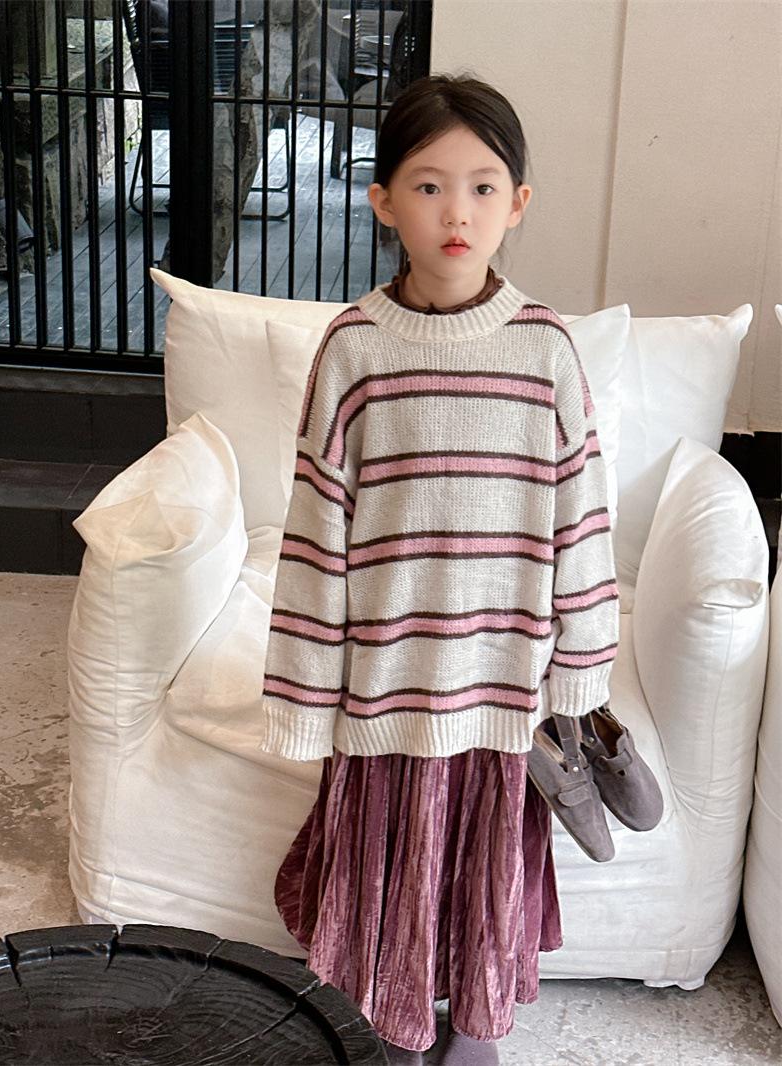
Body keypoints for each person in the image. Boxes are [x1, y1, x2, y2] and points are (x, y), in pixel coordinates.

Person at [260, 73, 620, 1065]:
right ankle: (392, 1016)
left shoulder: (545, 350)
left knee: (485, 867)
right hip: (386, 685)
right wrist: (306, 697)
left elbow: (582, 517)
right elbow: (315, 534)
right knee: (389, 869)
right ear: (382, 201)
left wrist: (581, 667)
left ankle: (475, 1023)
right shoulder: (353, 350)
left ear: (517, 203)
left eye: (481, 186)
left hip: (503, 688)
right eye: (427, 186)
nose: (455, 212)